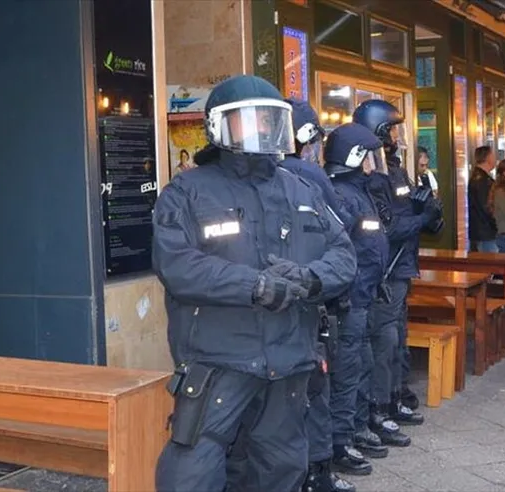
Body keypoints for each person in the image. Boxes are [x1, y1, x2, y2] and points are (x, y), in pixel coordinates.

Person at [151, 75, 357, 492]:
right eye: (249, 120)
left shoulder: (301, 189)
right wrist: (254, 285)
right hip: (219, 360)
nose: (262, 130)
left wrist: (310, 278)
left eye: (269, 120)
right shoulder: (188, 192)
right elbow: (177, 265)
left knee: (280, 469)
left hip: (289, 360)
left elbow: (343, 254)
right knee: (192, 472)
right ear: (219, 127)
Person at [277, 98, 357, 492]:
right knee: (316, 391)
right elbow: (343, 231)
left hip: (269, 305)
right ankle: (318, 474)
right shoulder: (309, 175)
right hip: (314, 300)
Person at [353, 99, 440, 433]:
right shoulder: (372, 175)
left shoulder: (394, 168)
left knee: (397, 338)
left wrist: (430, 212)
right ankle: (380, 406)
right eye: (390, 129)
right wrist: (421, 218)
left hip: (402, 266)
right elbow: (388, 230)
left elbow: (405, 215)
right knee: (384, 340)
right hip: (387, 271)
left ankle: (394, 395)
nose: (395, 136)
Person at [324, 123, 390, 477]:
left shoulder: (358, 191)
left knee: (362, 363)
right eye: (368, 156)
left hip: (364, 295)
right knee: (348, 370)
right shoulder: (340, 195)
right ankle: (341, 440)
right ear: (353, 158)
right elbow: (341, 250)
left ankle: (358, 428)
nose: (373, 163)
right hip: (350, 301)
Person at [469, 145, 499, 252]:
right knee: (490, 265)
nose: (495, 158)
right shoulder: (482, 181)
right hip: (485, 233)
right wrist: (497, 224)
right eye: (493, 155)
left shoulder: (480, 178)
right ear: (488, 158)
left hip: (483, 231)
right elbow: (486, 206)